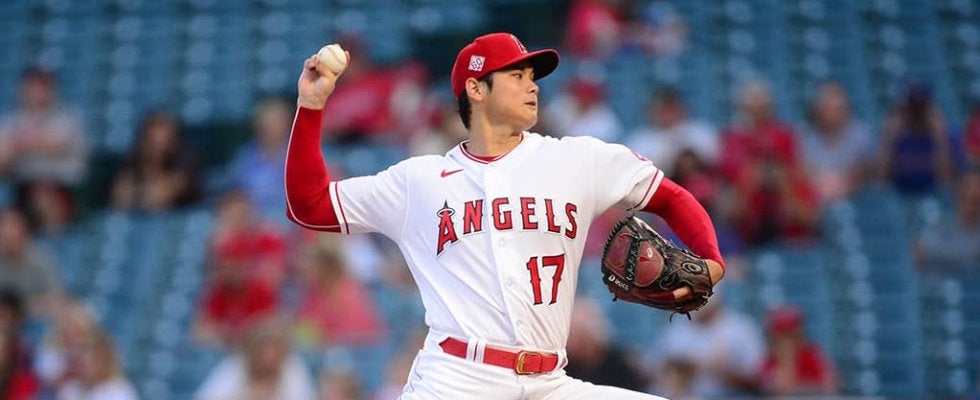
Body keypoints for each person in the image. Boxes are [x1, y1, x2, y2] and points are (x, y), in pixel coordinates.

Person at [284, 32, 725, 399]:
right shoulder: (418, 181)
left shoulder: (578, 159)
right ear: (476, 89)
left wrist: (711, 259)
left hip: (550, 383)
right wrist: (311, 107)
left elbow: (670, 197)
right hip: (456, 380)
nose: (533, 87)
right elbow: (310, 204)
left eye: (533, 77)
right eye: (517, 76)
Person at [195, 316, 316, 400]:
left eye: (275, 351)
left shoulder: (292, 368)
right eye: (263, 350)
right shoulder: (235, 366)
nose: (268, 357)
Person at [109, 111, 201, 212]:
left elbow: (161, 198)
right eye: (154, 141)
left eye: (165, 140)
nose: (160, 147)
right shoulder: (132, 161)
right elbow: (121, 200)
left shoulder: (186, 160)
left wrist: (141, 191)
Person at [757, 305, 838, 396]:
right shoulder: (769, 359)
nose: (785, 342)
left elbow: (830, 385)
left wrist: (796, 388)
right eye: (781, 336)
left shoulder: (811, 356)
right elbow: (762, 385)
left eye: (789, 335)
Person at [914, 168, 980, 270]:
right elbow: (918, 256)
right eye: (968, 187)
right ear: (957, 193)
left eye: (976, 198)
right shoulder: (937, 225)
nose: (972, 192)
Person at [55, 328, 139, 400]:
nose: (82, 366)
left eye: (87, 362)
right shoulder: (70, 390)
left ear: (103, 360)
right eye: (79, 362)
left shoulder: (119, 391)